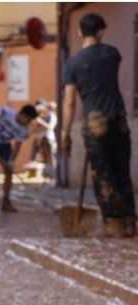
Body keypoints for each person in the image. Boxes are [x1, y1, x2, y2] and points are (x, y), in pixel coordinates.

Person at [61, 12, 134, 237]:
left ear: (79, 32)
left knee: (103, 174)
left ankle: (114, 225)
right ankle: (131, 222)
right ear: (101, 31)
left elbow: (70, 101)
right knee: (122, 172)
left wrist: (65, 132)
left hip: (94, 124)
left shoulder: (73, 63)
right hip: (119, 121)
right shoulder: (112, 54)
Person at [31, 99, 57, 179]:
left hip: (49, 138)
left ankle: (53, 175)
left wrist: (40, 122)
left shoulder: (52, 116)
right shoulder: (45, 115)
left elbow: (50, 127)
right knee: (44, 158)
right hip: (43, 138)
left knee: (51, 157)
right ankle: (47, 175)